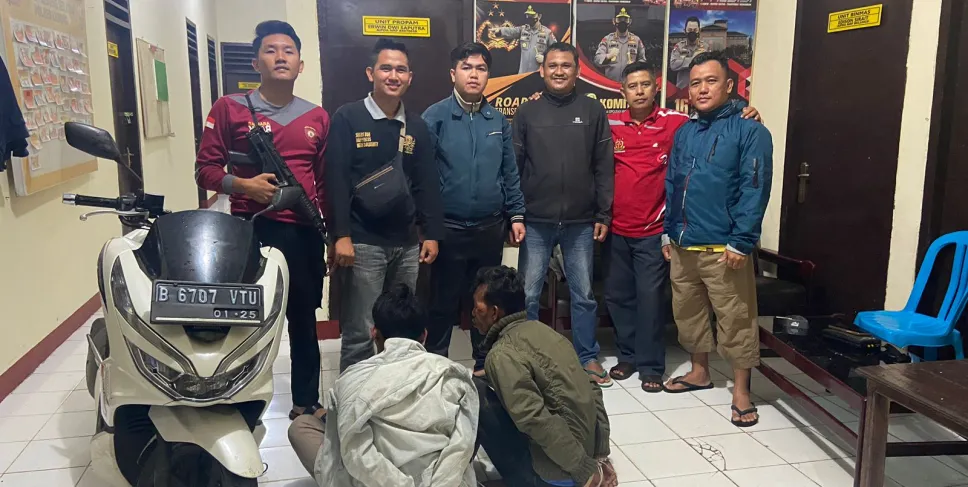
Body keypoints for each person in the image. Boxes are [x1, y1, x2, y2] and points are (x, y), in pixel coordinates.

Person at [194, 20, 328, 420]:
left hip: (303, 233)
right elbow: (204, 171)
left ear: (301, 64)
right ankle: (240, 401)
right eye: (271, 50)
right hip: (250, 230)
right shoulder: (230, 108)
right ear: (255, 63)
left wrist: (334, 234)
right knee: (246, 321)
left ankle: (306, 403)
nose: (280, 57)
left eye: (289, 51)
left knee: (303, 322)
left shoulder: (318, 117)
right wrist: (244, 186)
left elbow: (324, 183)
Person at [604, 61, 761, 393]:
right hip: (622, 229)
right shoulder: (611, 123)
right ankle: (628, 357)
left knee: (651, 300)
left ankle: (651, 366)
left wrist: (745, 110)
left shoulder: (677, 122)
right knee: (619, 297)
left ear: (656, 87)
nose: (639, 91)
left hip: (656, 230)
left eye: (645, 84)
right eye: (632, 86)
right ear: (622, 91)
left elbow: (719, 123)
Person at [661, 51, 773, 427]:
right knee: (688, 314)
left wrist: (742, 240)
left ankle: (741, 392)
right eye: (695, 83)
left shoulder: (750, 131)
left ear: (729, 85)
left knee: (736, 319)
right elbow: (673, 183)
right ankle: (699, 372)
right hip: (683, 243)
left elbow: (754, 189)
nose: (702, 89)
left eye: (711, 81)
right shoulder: (685, 132)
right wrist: (667, 231)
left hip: (724, 248)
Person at [325, 38, 444, 372]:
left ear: (410, 77)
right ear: (371, 73)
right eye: (386, 68)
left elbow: (426, 184)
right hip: (362, 243)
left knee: (402, 331)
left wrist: (432, 233)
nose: (394, 76)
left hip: (406, 245)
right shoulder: (348, 117)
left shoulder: (416, 125)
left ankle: (395, 390)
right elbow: (336, 180)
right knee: (360, 331)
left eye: (401, 70)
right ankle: (354, 395)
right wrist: (341, 235)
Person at [288, 284, 480, 487]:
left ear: (374, 333)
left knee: (301, 426)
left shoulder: (351, 381)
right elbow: (462, 446)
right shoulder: (454, 375)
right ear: (424, 335)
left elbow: (356, 455)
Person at [421, 42, 527, 376]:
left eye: (481, 68)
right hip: (448, 229)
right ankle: (436, 368)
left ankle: (485, 365)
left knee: (486, 302)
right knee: (442, 303)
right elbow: (421, 175)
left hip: (488, 228)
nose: (474, 74)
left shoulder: (497, 119)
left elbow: (509, 171)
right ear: (453, 73)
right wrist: (427, 226)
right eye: (467, 67)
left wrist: (516, 214)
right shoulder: (435, 117)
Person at [514, 42, 614, 387]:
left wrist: (603, 213)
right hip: (535, 221)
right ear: (542, 70)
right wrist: (515, 214)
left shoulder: (592, 110)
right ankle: (526, 357)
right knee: (528, 295)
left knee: (583, 294)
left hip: (581, 222)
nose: (559, 71)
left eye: (566, 65)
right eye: (552, 65)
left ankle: (587, 357)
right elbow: (515, 167)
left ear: (578, 70)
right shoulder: (527, 112)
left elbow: (603, 166)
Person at [472, 266, 616, 487]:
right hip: (586, 454)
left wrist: (584, 470)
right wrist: (600, 456)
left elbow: (534, 418)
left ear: (494, 312)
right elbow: (592, 387)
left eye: (477, 308)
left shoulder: (500, 355)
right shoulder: (547, 332)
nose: (473, 313)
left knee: (473, 391)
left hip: (556, 475)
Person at [489, 5, 557, 74]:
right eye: (528, 15)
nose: (529, 17)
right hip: (523, 73)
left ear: (539, 16)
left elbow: (557, 52)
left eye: (532, 15)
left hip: (539, 74)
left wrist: (545, 59)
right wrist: (499, 30)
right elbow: (512, 31)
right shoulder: (523, 30)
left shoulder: (547, 33)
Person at [593, 8, 646, 82]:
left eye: (625, 19)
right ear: (614, 21)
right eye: (619, 19)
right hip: (611, 83)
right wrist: (608, 56)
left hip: (630, 82)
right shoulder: (607, 39)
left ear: (630, 21)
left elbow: (643, 61)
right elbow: (597, 60)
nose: (622, 22)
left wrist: (635, 67)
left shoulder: (636, 40)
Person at [669, 16, 708, 91]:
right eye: (689, 30)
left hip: (700, 88)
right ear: (685, 31)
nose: (692, 32)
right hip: (682, 88)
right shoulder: (679, 47)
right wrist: (694, 59)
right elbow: (673, 65)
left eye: (695, 30)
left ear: (699, 31)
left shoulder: (705, 47)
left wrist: (683, 62)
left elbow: (709, 66)